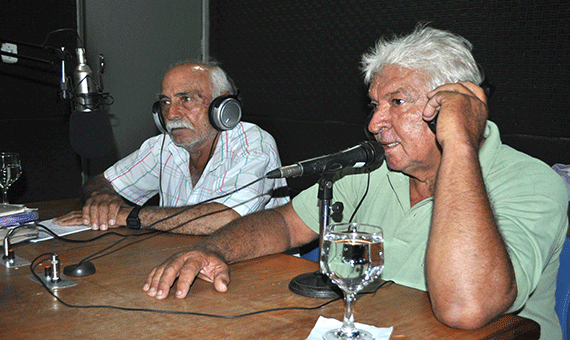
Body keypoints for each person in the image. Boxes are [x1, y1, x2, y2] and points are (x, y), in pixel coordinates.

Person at [141, 25, 568, 339]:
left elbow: (467, 308)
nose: (374, 123)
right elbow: (285, 223)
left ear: (452, 105)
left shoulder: (532, 183)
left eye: (396, 102)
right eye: (375, 105)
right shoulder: (373, 171)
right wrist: (211, 249)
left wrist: (458, 140)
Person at [54, 61, 289, 234]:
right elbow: (99, 181)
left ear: (224, 105)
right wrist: (102, 199)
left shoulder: (253, 143)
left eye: (186, 99)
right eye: (165, 102)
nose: (172, 114)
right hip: (182, 259)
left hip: (258, 269)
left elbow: (228, 218)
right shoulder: (164, 146)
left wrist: (130, 216)